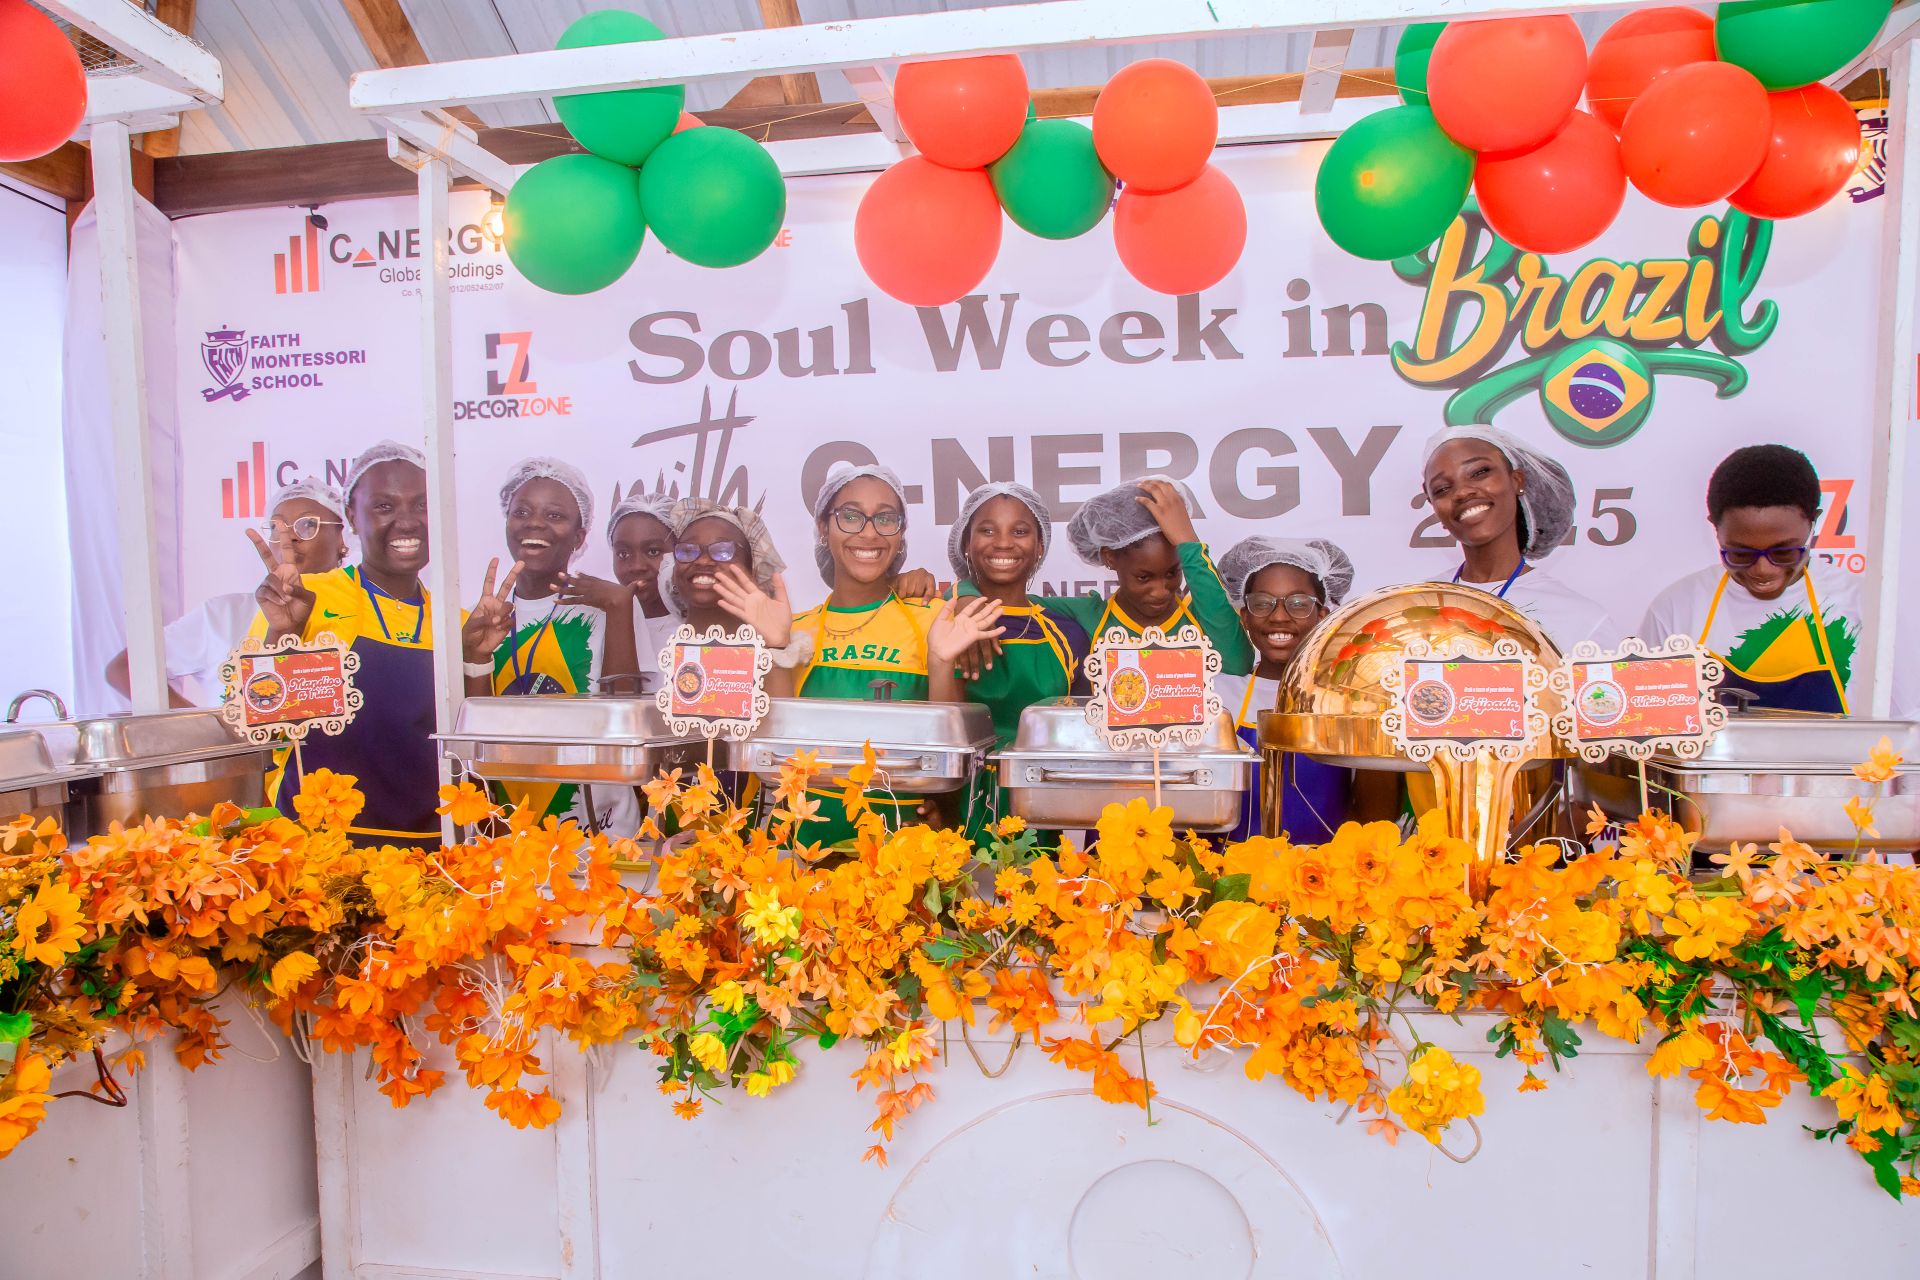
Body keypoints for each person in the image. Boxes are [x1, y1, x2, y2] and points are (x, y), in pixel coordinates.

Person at [248, 440, 495, 847]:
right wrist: (283, 635)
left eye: (421, 505)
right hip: (319, 854)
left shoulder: (459, 622)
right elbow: (261, 731)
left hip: (431, 853)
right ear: (351, 516)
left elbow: (475, 753)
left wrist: (477, 659)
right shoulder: (303, 599)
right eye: (384, 506)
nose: (407, 522)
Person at [790, 462, 1003, 847]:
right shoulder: (793, 630)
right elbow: (777, 756)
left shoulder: (934, 619)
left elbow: (949, 752)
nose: (869, 532)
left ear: (901, 532)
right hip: (805, 849)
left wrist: (940, 662)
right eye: (850, 516)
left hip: (905, 853)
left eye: (886, 518)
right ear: (823, 526)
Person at [465, 457, 640, 836]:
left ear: (579, 537)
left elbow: (626, 723)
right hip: (509, 834)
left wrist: (619, 607)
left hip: (601, 835)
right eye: (521, 512)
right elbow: (472, 734)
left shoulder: (608, 606)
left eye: (555, 515)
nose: (535, 523)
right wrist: (474, 656)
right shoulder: (481, 615)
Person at [1641, 444, 1865, 714]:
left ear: (1813, 522)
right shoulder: (1675, 609)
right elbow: (1651, 720)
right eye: (1740, 554)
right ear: (1715, 528)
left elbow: (1902, 725)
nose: (1763, 570)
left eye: (1783, 552)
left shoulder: (1863, 606)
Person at [108, 479, 349, 707]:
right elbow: (126, 669)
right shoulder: (225, 614)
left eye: (308, 524)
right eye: (277, 528)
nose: (290, 537)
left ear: (343, 536)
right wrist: (206, 728)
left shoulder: (363, 606)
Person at [1419, 424, 1616, 652]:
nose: (1462, 492)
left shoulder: (1582, 621)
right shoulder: (1412, 608)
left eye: (1479, 472)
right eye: (1442, 489)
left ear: (1517, 481)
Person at [1214, 536, 1357, 843]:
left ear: (1322, 615)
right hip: (1227, 870)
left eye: (1298, 604)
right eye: (1262, 603)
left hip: (1328, 870)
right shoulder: (1217, 697)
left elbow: (1374, 810)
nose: (1279, 616)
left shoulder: (1349, 700)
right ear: (1245, 617)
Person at [1053, 476, 1255, 674]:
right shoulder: (1088, 616)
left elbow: (1237, 664)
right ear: (1110, 557)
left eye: (1172, 573)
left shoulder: (1201, 617)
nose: (1160, 592)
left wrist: (1188, 542)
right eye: (1143, 578)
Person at [947, 481, 1091, 751]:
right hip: (965, 777)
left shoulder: (1068, 632)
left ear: (1040, 546)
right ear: (966, 542)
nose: (1003, 543)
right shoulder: (944, 622)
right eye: (987, 530)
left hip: (1042, 776)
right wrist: (960, 595)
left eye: (1020, 531)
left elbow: (1081, 731)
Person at [656, 495, 808, 695]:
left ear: (752, 568)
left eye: (723, 551)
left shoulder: (768, 652)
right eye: (688, 551)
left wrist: (777, 646)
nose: (702, 561)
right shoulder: (661, 648)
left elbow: (781, 715)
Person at [606, 489, 680, 693]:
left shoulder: (695, 630)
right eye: (623, 554)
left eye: (653, 551)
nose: (636, 566)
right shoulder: (600, 625)